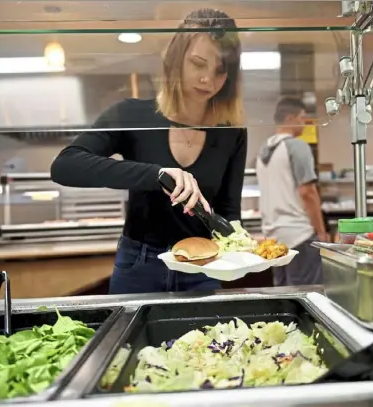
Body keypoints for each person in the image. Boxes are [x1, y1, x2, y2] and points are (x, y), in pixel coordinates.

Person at [50, 9, 247, 294]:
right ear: (176, 60)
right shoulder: (131, 114)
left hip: (203, 265)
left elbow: (228, 211)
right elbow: (66, 166)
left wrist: (240, 248)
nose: (207, 79)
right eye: (198, 64)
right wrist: (156, 175)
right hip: (139, 265)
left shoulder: (232, 132)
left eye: (220, 69)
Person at [255, 97, 329, 287]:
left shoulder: (264, 150)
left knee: (283, 294)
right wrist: (321, 232)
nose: (305, 122)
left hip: (274, 238)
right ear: (290, 118)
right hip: (300, 236)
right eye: (302, 117)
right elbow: (308, 192)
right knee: (307, 295)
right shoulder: (297, 146)